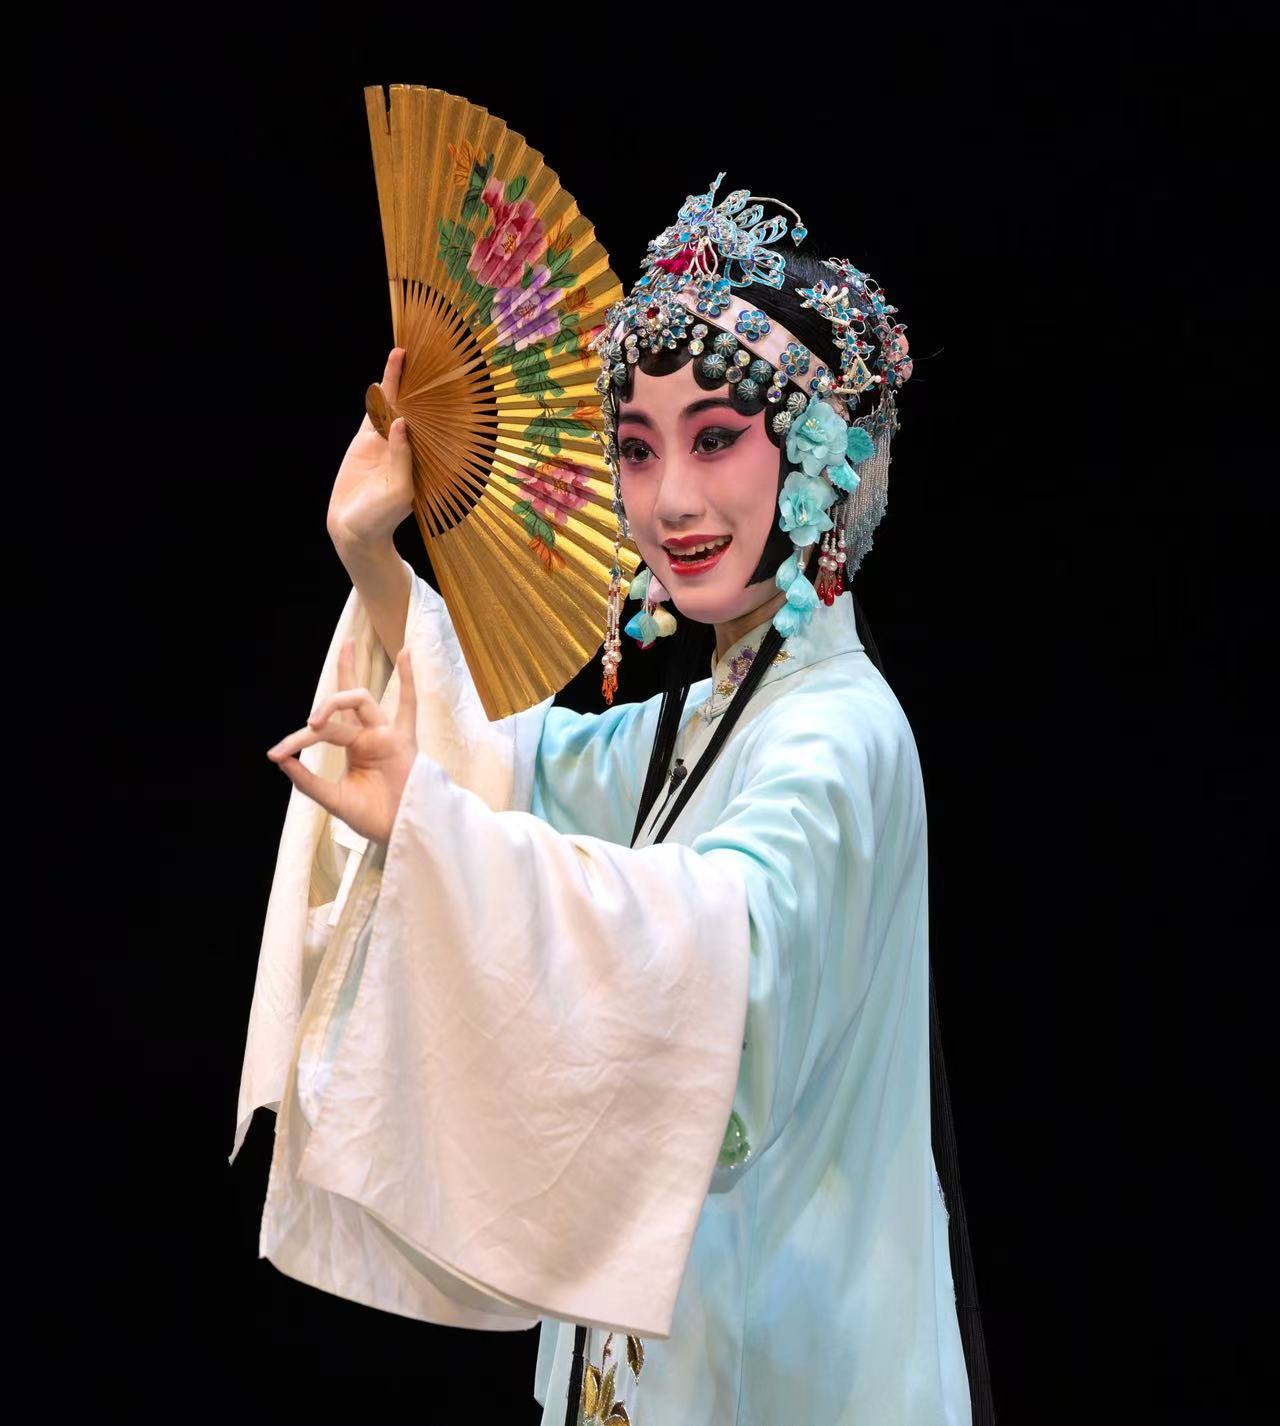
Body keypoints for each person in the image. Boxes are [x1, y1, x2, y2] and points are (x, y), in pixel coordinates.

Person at [232, 174, 979, 1424]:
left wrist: (436, 826)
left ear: (819, 450)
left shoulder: (839, 734)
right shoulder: (702, 719)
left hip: (789, 1366)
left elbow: (717, 951)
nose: (670, 499)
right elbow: (506, 771)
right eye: (636, 447)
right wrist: (374, 558)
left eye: (714, 438)